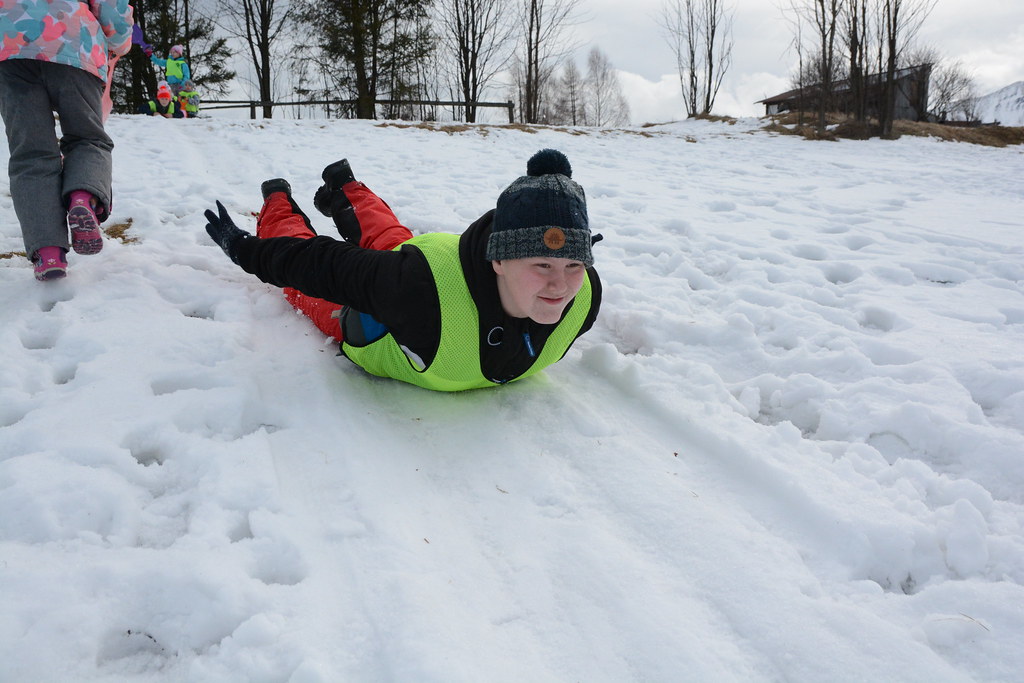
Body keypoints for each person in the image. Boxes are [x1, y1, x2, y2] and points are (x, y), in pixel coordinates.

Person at [204, 149, 603, 392]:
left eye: (574, 264)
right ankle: (277, 200)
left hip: (420, 269)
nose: (560, 285)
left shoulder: (585, 297)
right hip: (385, 318)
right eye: (542, 265)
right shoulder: (416, 294)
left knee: (393, 238)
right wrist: (244, 249)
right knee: (316, 284)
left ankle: (344, 186)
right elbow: (315, 263)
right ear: (498, 260)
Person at [0, 0, 134, 281]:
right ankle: (83, 197)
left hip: (10, 44)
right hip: (75, 41)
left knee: (30, 153)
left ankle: (48, 253)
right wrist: (120, 43)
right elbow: (113, 10)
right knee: (87, 138)